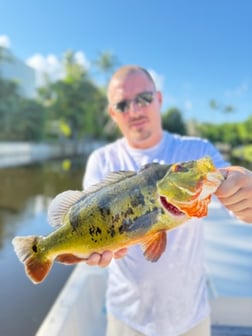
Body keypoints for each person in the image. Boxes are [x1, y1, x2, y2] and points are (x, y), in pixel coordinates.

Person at [82, 65, 252, 336]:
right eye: (123, 105)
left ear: (158, 99)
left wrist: (244, 190)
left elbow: (230, 183)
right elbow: (88, 226)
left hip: (190, 318)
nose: (135, 110)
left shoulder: (196, 150)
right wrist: (85, 250)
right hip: (127, 318)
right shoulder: (102, 161)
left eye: (144, 99)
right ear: (113, 114)